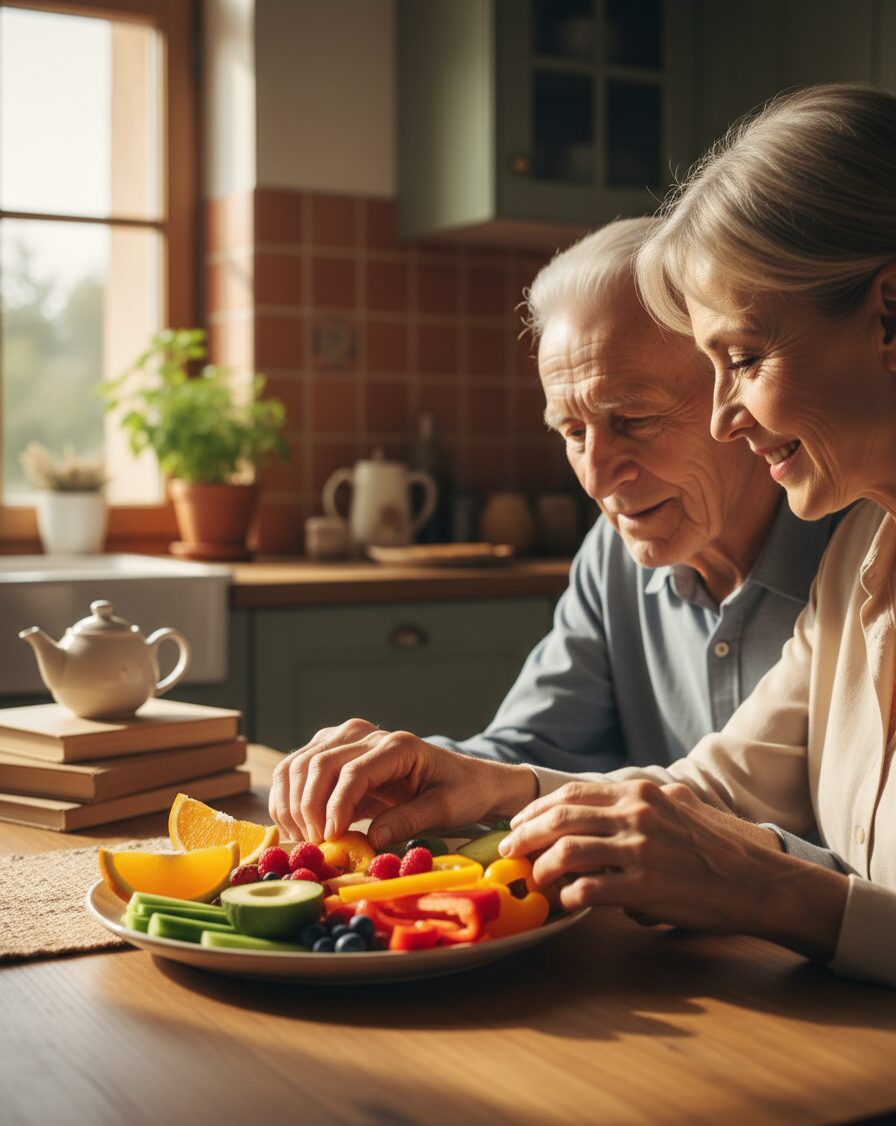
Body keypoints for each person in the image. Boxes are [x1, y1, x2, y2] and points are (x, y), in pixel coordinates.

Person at [272, 82, 896, 987]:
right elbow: (710, 791)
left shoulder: (837, 538)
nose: (728, 417)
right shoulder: (862, 564)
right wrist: (489, 784)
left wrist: (779, 894)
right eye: (572, 431)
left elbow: (750, 860)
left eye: (747, 359)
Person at [270, 220, 844, 867]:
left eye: (633, 421)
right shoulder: (612, 551)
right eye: (572, 432)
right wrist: (409, 774)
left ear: (733, 385)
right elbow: (531, 754)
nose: (598, 478)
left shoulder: (860, 543)